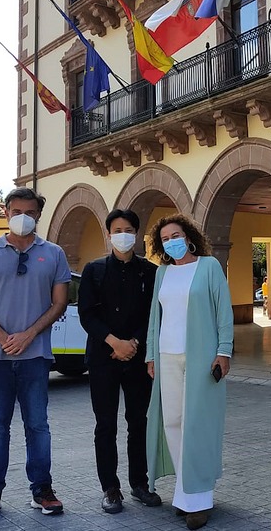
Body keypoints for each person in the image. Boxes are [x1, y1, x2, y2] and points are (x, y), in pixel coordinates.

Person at [0, 188, 71, 522]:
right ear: (6, 212)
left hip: (35, 356)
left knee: (38, 425)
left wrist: (28, 335)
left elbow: (59, 303)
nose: (22, 216)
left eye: (30, 211)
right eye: (16, 210)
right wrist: (2, 337)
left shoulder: (53, 254)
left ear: (39, 215)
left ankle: (43, 490)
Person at [145, 214, 233, 531]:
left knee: (197, 425)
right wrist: (150, 355)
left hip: (201, 358)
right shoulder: (163, 274)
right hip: (166, 356)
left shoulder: (209, 267)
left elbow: (224, 311)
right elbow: (155, 317)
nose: (172, 241)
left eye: (177, 234)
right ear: (161, 244)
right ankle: (185, 492)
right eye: (166, 238)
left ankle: (198, 501)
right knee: (173, 422)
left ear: (189, 236)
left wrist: (224, 351)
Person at [78, 209, 161, 514]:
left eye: (128, 229)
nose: (123, 234)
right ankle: (110, 488)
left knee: (138, 422)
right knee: (106, 425)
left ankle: (139, 482)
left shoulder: (150, 272)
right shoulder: (94, 270)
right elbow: (87, 314)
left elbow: (153, 314)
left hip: (138, 359)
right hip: (104, 357)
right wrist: (114, 342)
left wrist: (134, 344)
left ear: (136, 234)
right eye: (117, 229)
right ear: (109, 234)